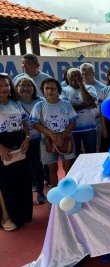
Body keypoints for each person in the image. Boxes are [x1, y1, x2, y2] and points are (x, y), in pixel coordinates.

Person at [0, 73, 33, 231]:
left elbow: (24, 122)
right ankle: (6, 217)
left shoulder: (15, 102)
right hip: (2, 146)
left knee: (22, 179)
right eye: (0, 86)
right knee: (4, 183)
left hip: (19, 143)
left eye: (6, 85)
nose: (3, 88)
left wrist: (27, 138)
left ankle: (22, 213)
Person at [31, 78, 77, 188]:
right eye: (46, 88)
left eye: (53, 88)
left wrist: (62, 136)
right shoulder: (39, 106)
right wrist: (52, 135)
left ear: (58, 90)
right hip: (46, 139)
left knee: (68, 167)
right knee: (52, 168)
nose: (49, 91)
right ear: (43, 90)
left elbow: (73, 122)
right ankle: (55, 192)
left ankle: (69, 191)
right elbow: (35, 123)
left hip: (66, 138)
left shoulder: (66, 104)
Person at [15, 77, 47, 205]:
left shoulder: (41, 101)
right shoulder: (13, 103)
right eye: (22, 85)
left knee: (37, 166)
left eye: (29, 85)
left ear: (34, 88)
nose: (26, 88)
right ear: (16, 88)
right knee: (22, 168)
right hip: (21, 141)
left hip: (39, 139)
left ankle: (40, 192)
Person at [61, 68, 97, 157]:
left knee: (91, 155)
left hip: (90, 128)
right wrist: (87, 105)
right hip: (71, 129)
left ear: (81, 77)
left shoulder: (90, 87)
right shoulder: (63, 90)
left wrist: (81, 84)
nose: (74, 80)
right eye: (71, 78)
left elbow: (89, 101)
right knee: (74, 155)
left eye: (77, 78)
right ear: (67, 77)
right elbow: (67, 108)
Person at [80, 63, 106, 152]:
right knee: (84, 149)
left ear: (93, 74)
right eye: (82, 74)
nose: (84, 76)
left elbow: (104, 107)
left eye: (87, 74)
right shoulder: (79, 87)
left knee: (97, 147)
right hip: (83, 123)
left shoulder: (102, 88)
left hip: (98, 122)